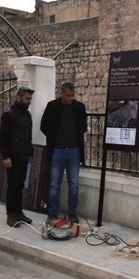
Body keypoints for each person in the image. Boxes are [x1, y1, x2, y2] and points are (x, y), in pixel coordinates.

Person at [40, 82, 88, 224]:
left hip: (74, 151)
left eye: (72, 95)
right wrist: (54, 138)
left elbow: (83, 127)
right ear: (61, 94)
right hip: (57, 151)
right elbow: (44, 126)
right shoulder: (52, 106)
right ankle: (53, 213)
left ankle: (72, 213)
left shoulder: (79, 107)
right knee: (55, 184)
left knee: (74, 184)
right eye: (68, 95)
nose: (70, 98)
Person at [0, 86, 35, 227]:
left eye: (30, 99)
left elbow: (28, 135)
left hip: (24, 156)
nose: (29, 101)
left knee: (20, 185)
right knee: (12, 185)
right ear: (18, 97)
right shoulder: (9, 115)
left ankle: (19, 212)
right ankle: (11, 214)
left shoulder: (27, 115)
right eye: (27, 99)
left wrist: (29, 152)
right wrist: (6, 157)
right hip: (12, 157)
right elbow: (2, 137)